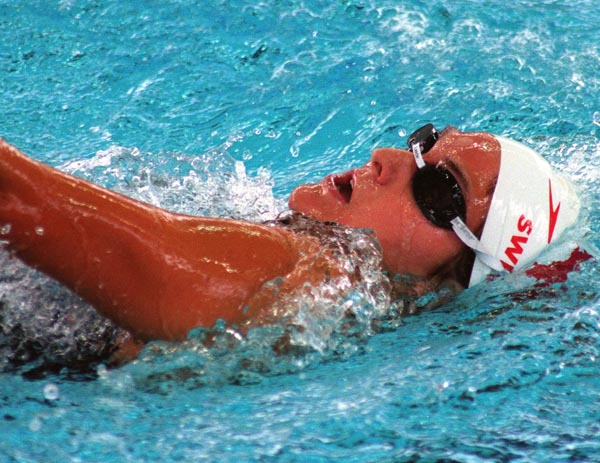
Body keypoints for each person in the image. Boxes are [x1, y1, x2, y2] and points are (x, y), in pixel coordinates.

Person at [0, 125, 582, 349]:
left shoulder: (310, 276)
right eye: (422, 143)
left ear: (451, 286)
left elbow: (19, 201)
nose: (385, 159)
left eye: (439, 191)